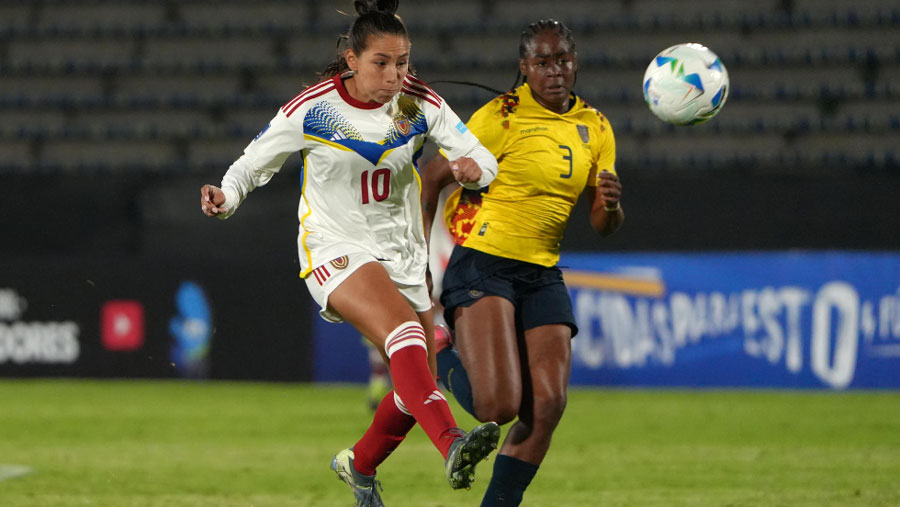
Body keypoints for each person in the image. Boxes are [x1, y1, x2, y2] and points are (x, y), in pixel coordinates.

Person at [200, 1, 501, 505]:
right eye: (381, 63)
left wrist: (475, 172)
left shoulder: (418, 103)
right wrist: (226, 197)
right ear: (352, 59)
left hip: (402, 254)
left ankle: (359, 466)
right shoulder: (313, 108)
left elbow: (481, 158)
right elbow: (253, 164)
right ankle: (453, 443)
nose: (394, 76)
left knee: (414, 387)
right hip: (334, 246)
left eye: (402, 63)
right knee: (404, 335)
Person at [420, 19, 624, 507]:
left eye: (562, 60)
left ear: (575, 62)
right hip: (483, 263)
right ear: (524, 67)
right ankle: (438, 351)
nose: (555, 71)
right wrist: (417, 261)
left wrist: (612, 206)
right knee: (497, 407)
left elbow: (602, 223)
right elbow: (431, 177)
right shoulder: (500, 117)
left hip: (541, 272)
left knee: (548, 404)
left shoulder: (595, 126)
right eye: (542, 62)